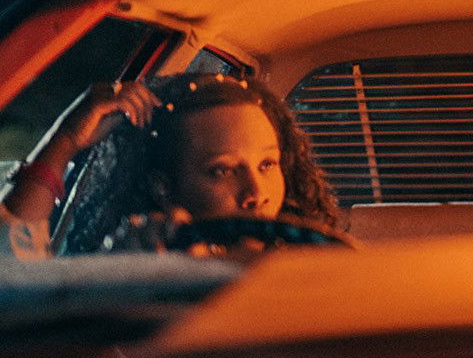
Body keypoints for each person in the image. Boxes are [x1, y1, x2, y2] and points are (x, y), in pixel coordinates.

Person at [1, 73, 340, 259]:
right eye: (222, 171)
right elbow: (16, 283)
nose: (256, 193)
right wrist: (66, 141)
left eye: (267, 164)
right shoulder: (140, 272)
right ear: (162, 187)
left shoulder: (319, 267)